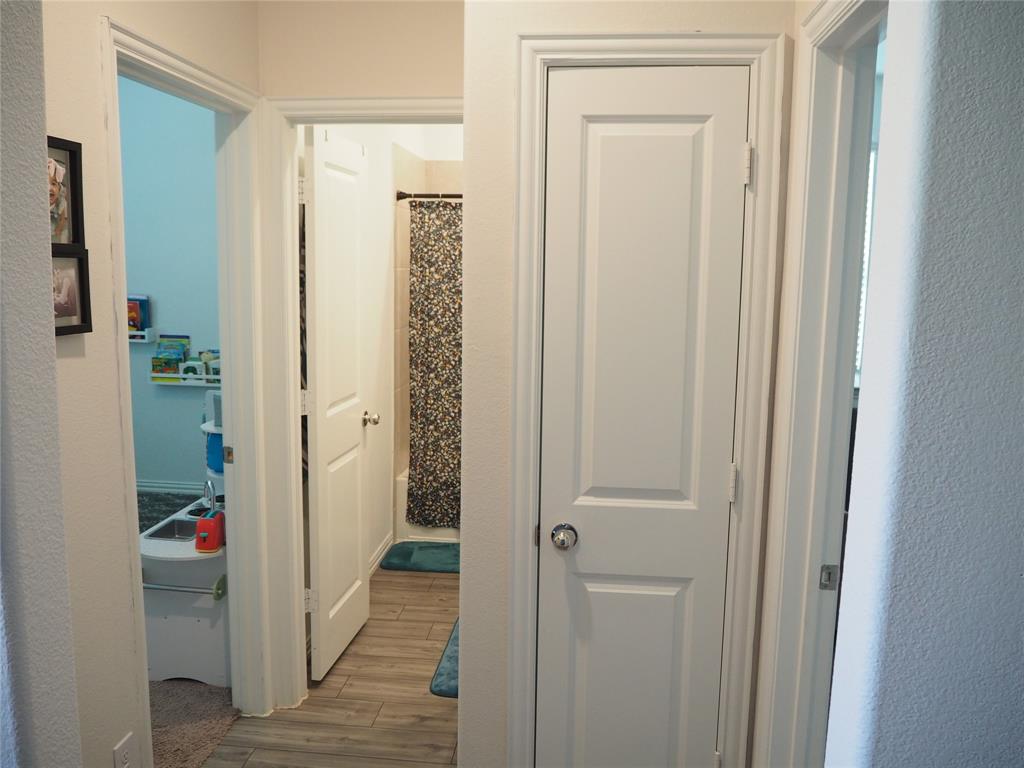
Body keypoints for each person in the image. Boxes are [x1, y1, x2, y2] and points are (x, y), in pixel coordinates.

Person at [48, 156, 69, 243]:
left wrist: (59, 229)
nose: (50, 188)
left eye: (53, 184)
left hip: (55, 228)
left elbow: (62, 218)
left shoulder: (60, 202)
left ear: (59, 188)